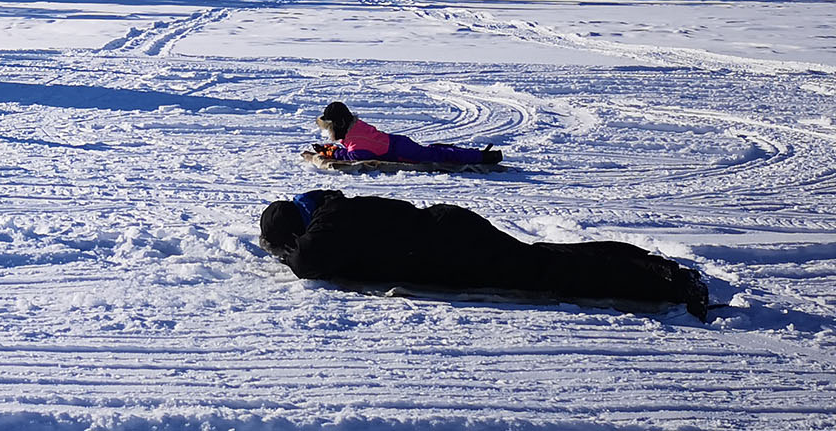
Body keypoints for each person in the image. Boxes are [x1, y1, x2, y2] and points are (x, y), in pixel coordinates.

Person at [259, 189, 714, 320]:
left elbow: (308, 261)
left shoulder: (329, 223)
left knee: (550, 272)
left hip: (450, 248)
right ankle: (656, 269)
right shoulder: (335, 208)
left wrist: (287, 254)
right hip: (448, 233)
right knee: (546, 260)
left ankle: (669, 281)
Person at [314, 101, 501, 166]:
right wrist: (330, 149)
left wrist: (330, 152)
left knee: (437, 157)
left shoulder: (357, 139)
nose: (328, 131)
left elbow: (353, 156)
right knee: (434, 151)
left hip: (401, 151)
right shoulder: (355, 129)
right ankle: (475, 154)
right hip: (397, 143)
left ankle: (482, 157)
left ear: (339, 124)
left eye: (329, 126)